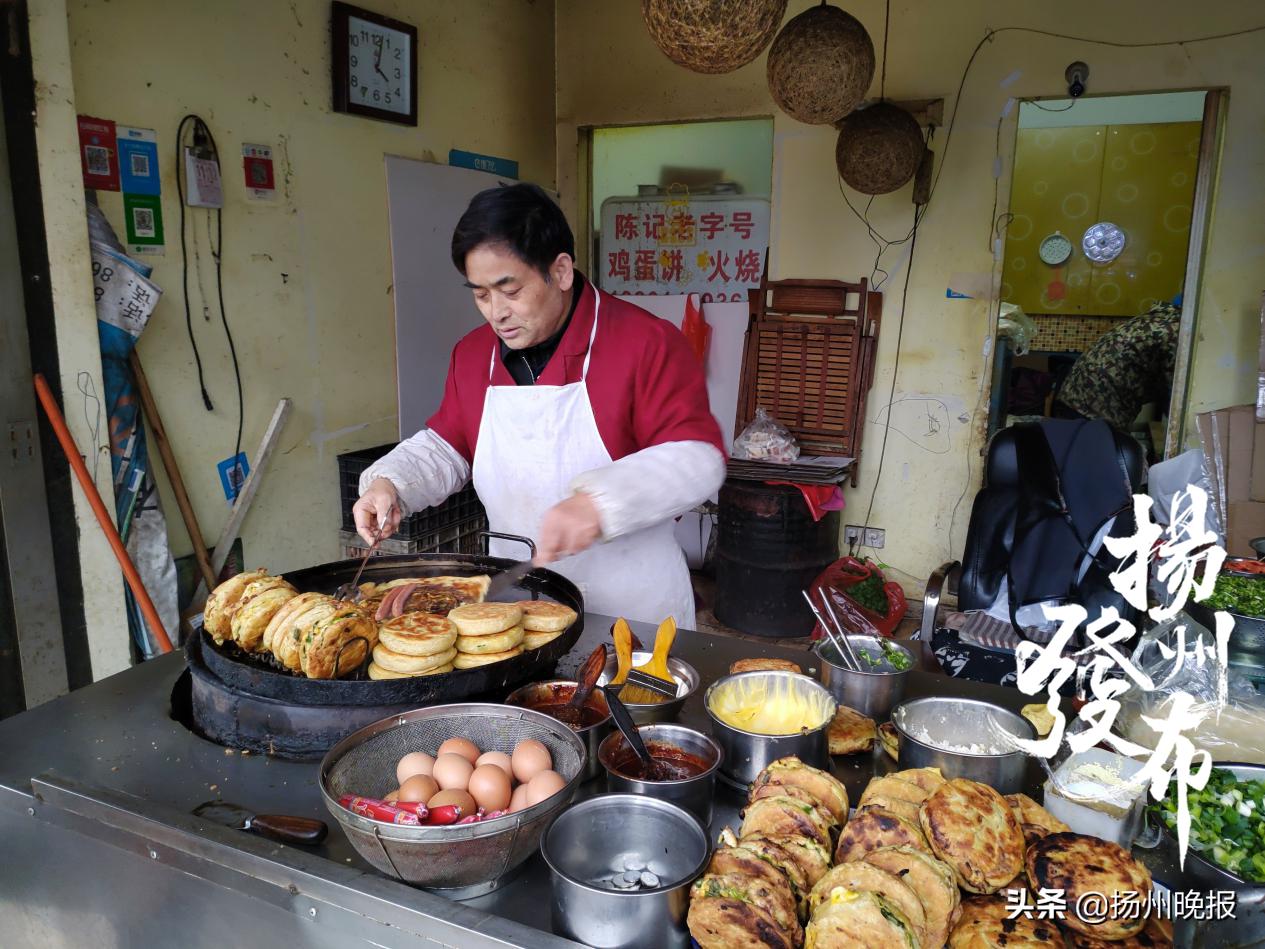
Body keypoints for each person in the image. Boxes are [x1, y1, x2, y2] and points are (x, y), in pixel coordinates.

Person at [352, 183, 726, 627]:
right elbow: (449, 445)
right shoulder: (473, 355)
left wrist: (600, 503)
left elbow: (698, 458)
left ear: (561, 271)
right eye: (480, 294)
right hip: (516, 610)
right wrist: (390, 483)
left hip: (632, 610)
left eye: (510, 290)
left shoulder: (644, 342)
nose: (496, 312)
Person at [1052, 302, 1181, 432]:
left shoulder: (1154, 319)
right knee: (1094, 448)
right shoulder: (1173, 330)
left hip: (1075, 393)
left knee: (1072, 446)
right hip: (1098, 404)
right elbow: (1176, 393)